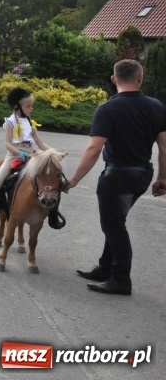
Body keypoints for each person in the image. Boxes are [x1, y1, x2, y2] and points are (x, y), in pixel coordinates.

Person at [63, 59, 166, 296]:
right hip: (142, 173)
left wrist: (74, 179)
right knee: (116, 221)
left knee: (114, 226)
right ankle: (105, 268)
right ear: (140, 77)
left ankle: (121, 280)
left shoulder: (108, 108)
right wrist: (162, 177)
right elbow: (164, 147)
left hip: (117, 174)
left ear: (113, 79)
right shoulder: (157, 106)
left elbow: (94, 148)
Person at [0, 87, 58, 227]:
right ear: (18, 107)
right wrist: (19, 153)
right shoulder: (10, 122)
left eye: (31, 106)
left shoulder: (30, 122)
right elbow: (7, 143)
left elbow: (40, 143)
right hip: (13, 155)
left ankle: (54, 214)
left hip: (32, 155)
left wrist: (53, 152)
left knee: (52, 177)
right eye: (28, 106)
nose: (31, 108)